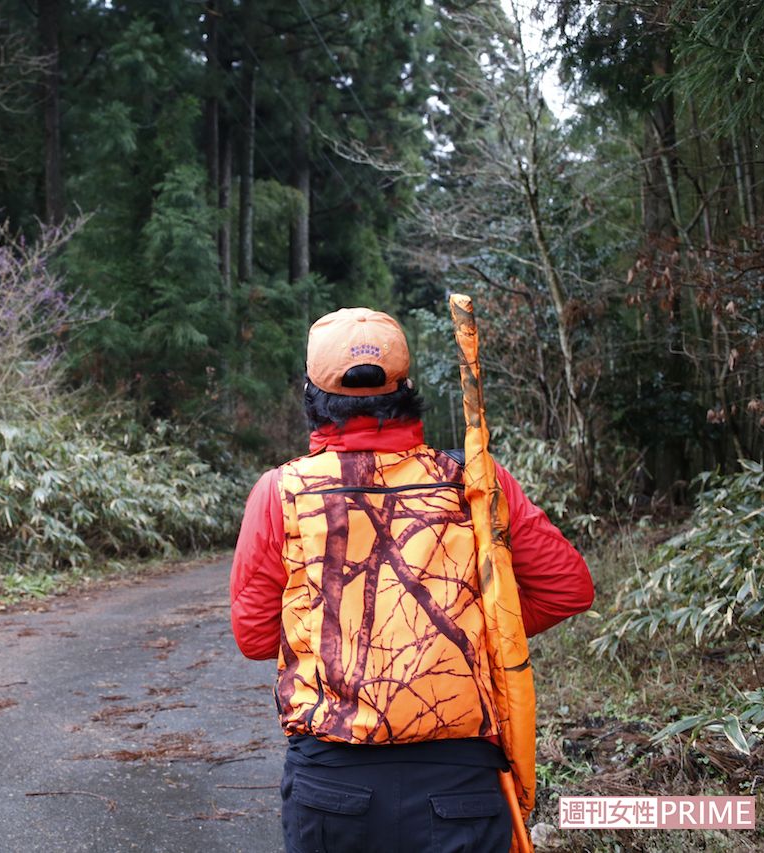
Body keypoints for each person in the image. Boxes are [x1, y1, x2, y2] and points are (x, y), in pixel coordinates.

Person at [230, 307, 593, 853]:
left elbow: (256, 638)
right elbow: (567, 587)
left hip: (332, 787)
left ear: (310, 394)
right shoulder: (472, 481)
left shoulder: (281, 492)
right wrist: (473, 629)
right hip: (461, 787)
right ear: (407, 390)